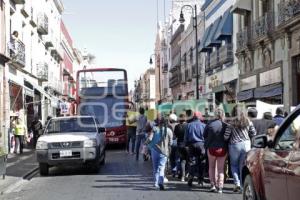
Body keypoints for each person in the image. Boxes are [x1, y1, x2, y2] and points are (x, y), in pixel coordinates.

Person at [224, 105, 256, 193]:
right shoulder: (248, 121)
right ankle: (242, 186)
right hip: (246, 145)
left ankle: (237, 183)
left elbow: (226, 136)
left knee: (233, 165)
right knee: (242, 166)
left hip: (234, 145)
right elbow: (254, 133)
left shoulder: (231, 122)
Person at [204, 108, 228, 193]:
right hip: (222, 149)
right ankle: (220, 187)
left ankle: (213, 185)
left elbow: (204, 135)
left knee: (211, 167)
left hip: (211, 148)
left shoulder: (210, 124)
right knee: (221, 169)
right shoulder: (225, 125)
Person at [145, 119, 173, 190]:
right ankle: (161, 181)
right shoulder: (169, 131)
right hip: (164, 151)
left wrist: (146, 145)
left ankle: (156, 182)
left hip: (154, 150)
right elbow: (171, 143)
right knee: (161, 167)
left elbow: (150, 139)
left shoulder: (155, 129)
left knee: (155, 167)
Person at [184, 111, 206, 187]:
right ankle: (200, 180)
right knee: (202, 162)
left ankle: (191, 177)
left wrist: (186, 145)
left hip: (192, 145)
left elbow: (186, 138)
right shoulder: (204, 126)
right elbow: (206, 137)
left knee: (192, 162)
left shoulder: (189, 125)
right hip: (201, 145)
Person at [174, 113, 188, 182]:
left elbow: (175, 136)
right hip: (187, 145)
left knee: (182, 160)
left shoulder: (177, 126)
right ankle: (188, 174)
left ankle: (182, 176)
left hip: (180, 144)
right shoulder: (188, 126)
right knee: (189, 160)